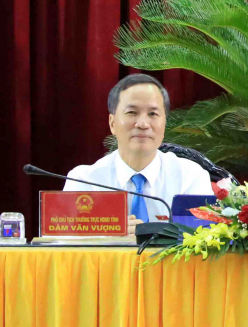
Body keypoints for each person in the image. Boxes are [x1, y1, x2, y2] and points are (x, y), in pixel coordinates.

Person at [64, 74, 213, 235]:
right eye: (132, 112)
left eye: (153, 114)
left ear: (164, 124)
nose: (143, 124)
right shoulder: (84, 181)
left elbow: (205, 238)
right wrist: (106, 235)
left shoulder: (190, 177)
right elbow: (63, 243)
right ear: (112, 123)